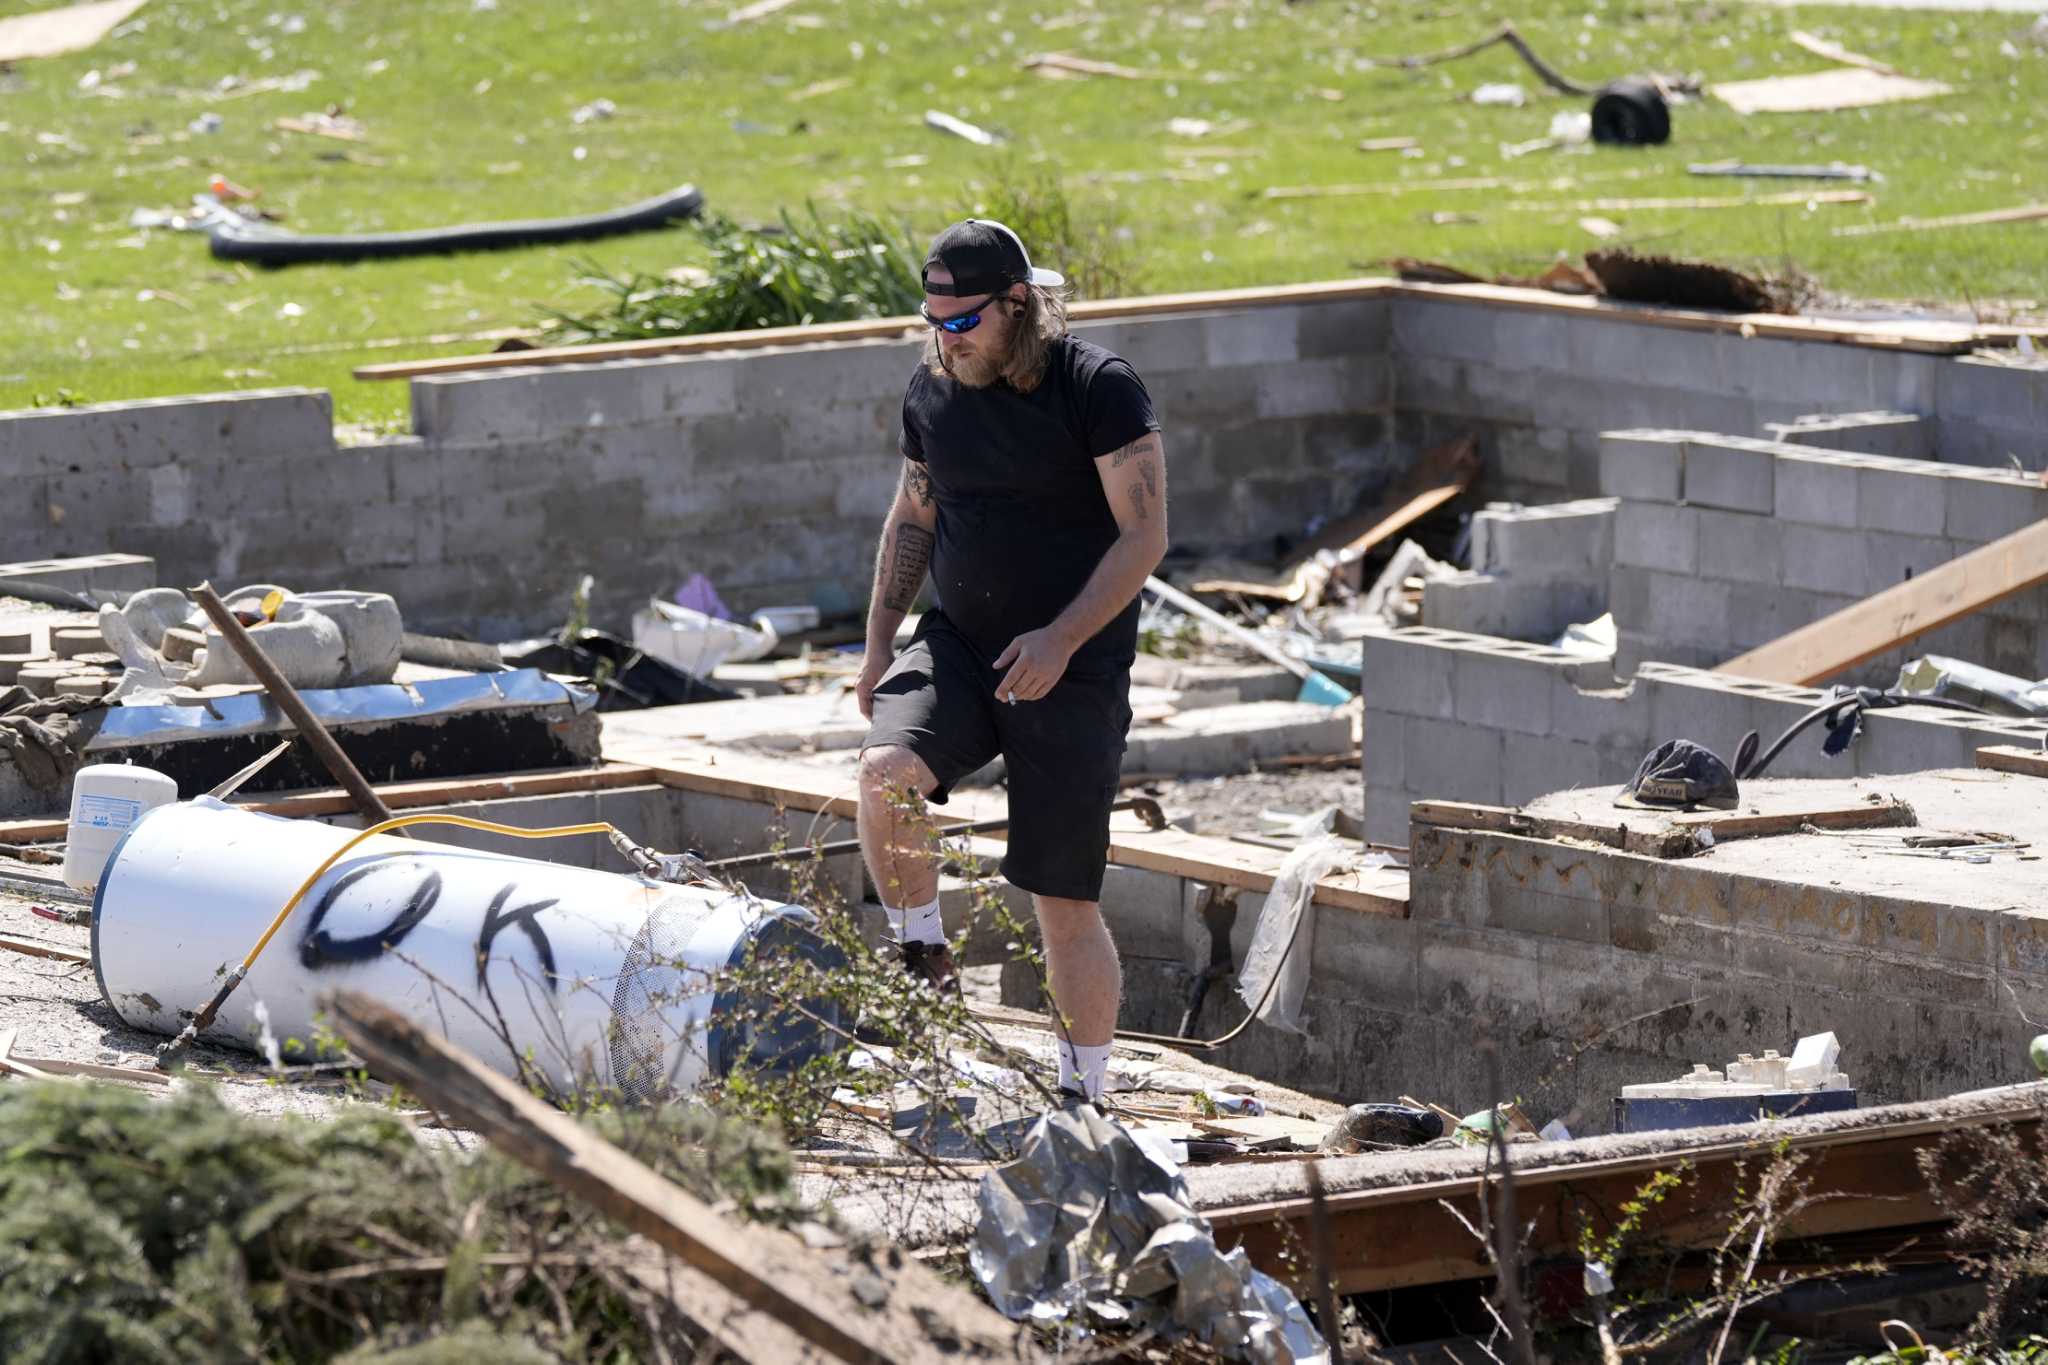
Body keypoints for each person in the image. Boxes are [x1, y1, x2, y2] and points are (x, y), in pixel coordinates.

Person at [854, 219, 1168, 1102]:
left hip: (1074, 664)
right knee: (885, 771)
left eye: (963, 323)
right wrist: (881, 644)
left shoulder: (1097, 388)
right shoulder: (931, 388)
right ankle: (923, 956)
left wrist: (1062, 637)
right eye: (934, 320)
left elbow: (1146, 534)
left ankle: (1085, 1096)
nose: (945, 339)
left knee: (1061, 904)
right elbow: (913, 517)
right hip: (961, 641)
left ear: (1019, 304)